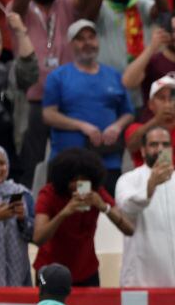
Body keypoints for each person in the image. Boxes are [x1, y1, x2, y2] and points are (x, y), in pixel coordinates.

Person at [11, 0, 90, 185]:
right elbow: (19, 3)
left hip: (66, 102)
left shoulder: (65, 4)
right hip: (32, 100)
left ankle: (69, 211)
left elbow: (85, 1)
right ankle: (26, 215)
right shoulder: (19, 8)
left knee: (69, 163)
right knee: (30, 164)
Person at [42, 19, 134, 190]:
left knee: (105, 212)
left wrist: (117, 126)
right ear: (71, 44)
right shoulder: (58, 76)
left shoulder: (113, 75)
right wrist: (81, 125)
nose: (87, 43)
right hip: (69, 165)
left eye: (91, 37)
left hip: (107, 163)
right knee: (70, 211)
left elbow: (128, 112)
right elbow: (48, 114)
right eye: (81, 39)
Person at [116, 125, 175, 288]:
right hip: (141, 282)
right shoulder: (129, 180)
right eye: (154, 144)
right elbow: (127, 208)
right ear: (143, 151)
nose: (160, 149)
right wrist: (149, 188)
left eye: (165, 144)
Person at [32, 147, 133, 286]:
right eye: (73, 180)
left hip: (86, 271)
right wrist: (64, 213)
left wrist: (104, 207)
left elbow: (129, 229)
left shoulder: (96, 193)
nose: (78, 185)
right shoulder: (49, 193)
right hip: (51, 271)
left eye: (84, 181)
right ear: (63, 179)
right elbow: (38, 238)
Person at [120, 10, 175, 132]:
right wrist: (152, 47)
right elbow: (127, 82)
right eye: (174, 30)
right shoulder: (153, 61)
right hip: (155, 136)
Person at [0, 14, 37, 180]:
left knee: (13, 204)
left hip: (10, 156)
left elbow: (29, 69)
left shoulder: (10, 72)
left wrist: (20, 31)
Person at [124, 75, 175, 179]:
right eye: (162, 98)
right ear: (151, 104)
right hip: (149, 189)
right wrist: (156, 121)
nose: (168, 104)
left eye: (172, 98)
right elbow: (132, 146)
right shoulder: (136, 128)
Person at [0, 144, 34, 286]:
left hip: (19, 276)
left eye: (2, 163)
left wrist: (23, 219)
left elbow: (36, 236)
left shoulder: (22, 193)